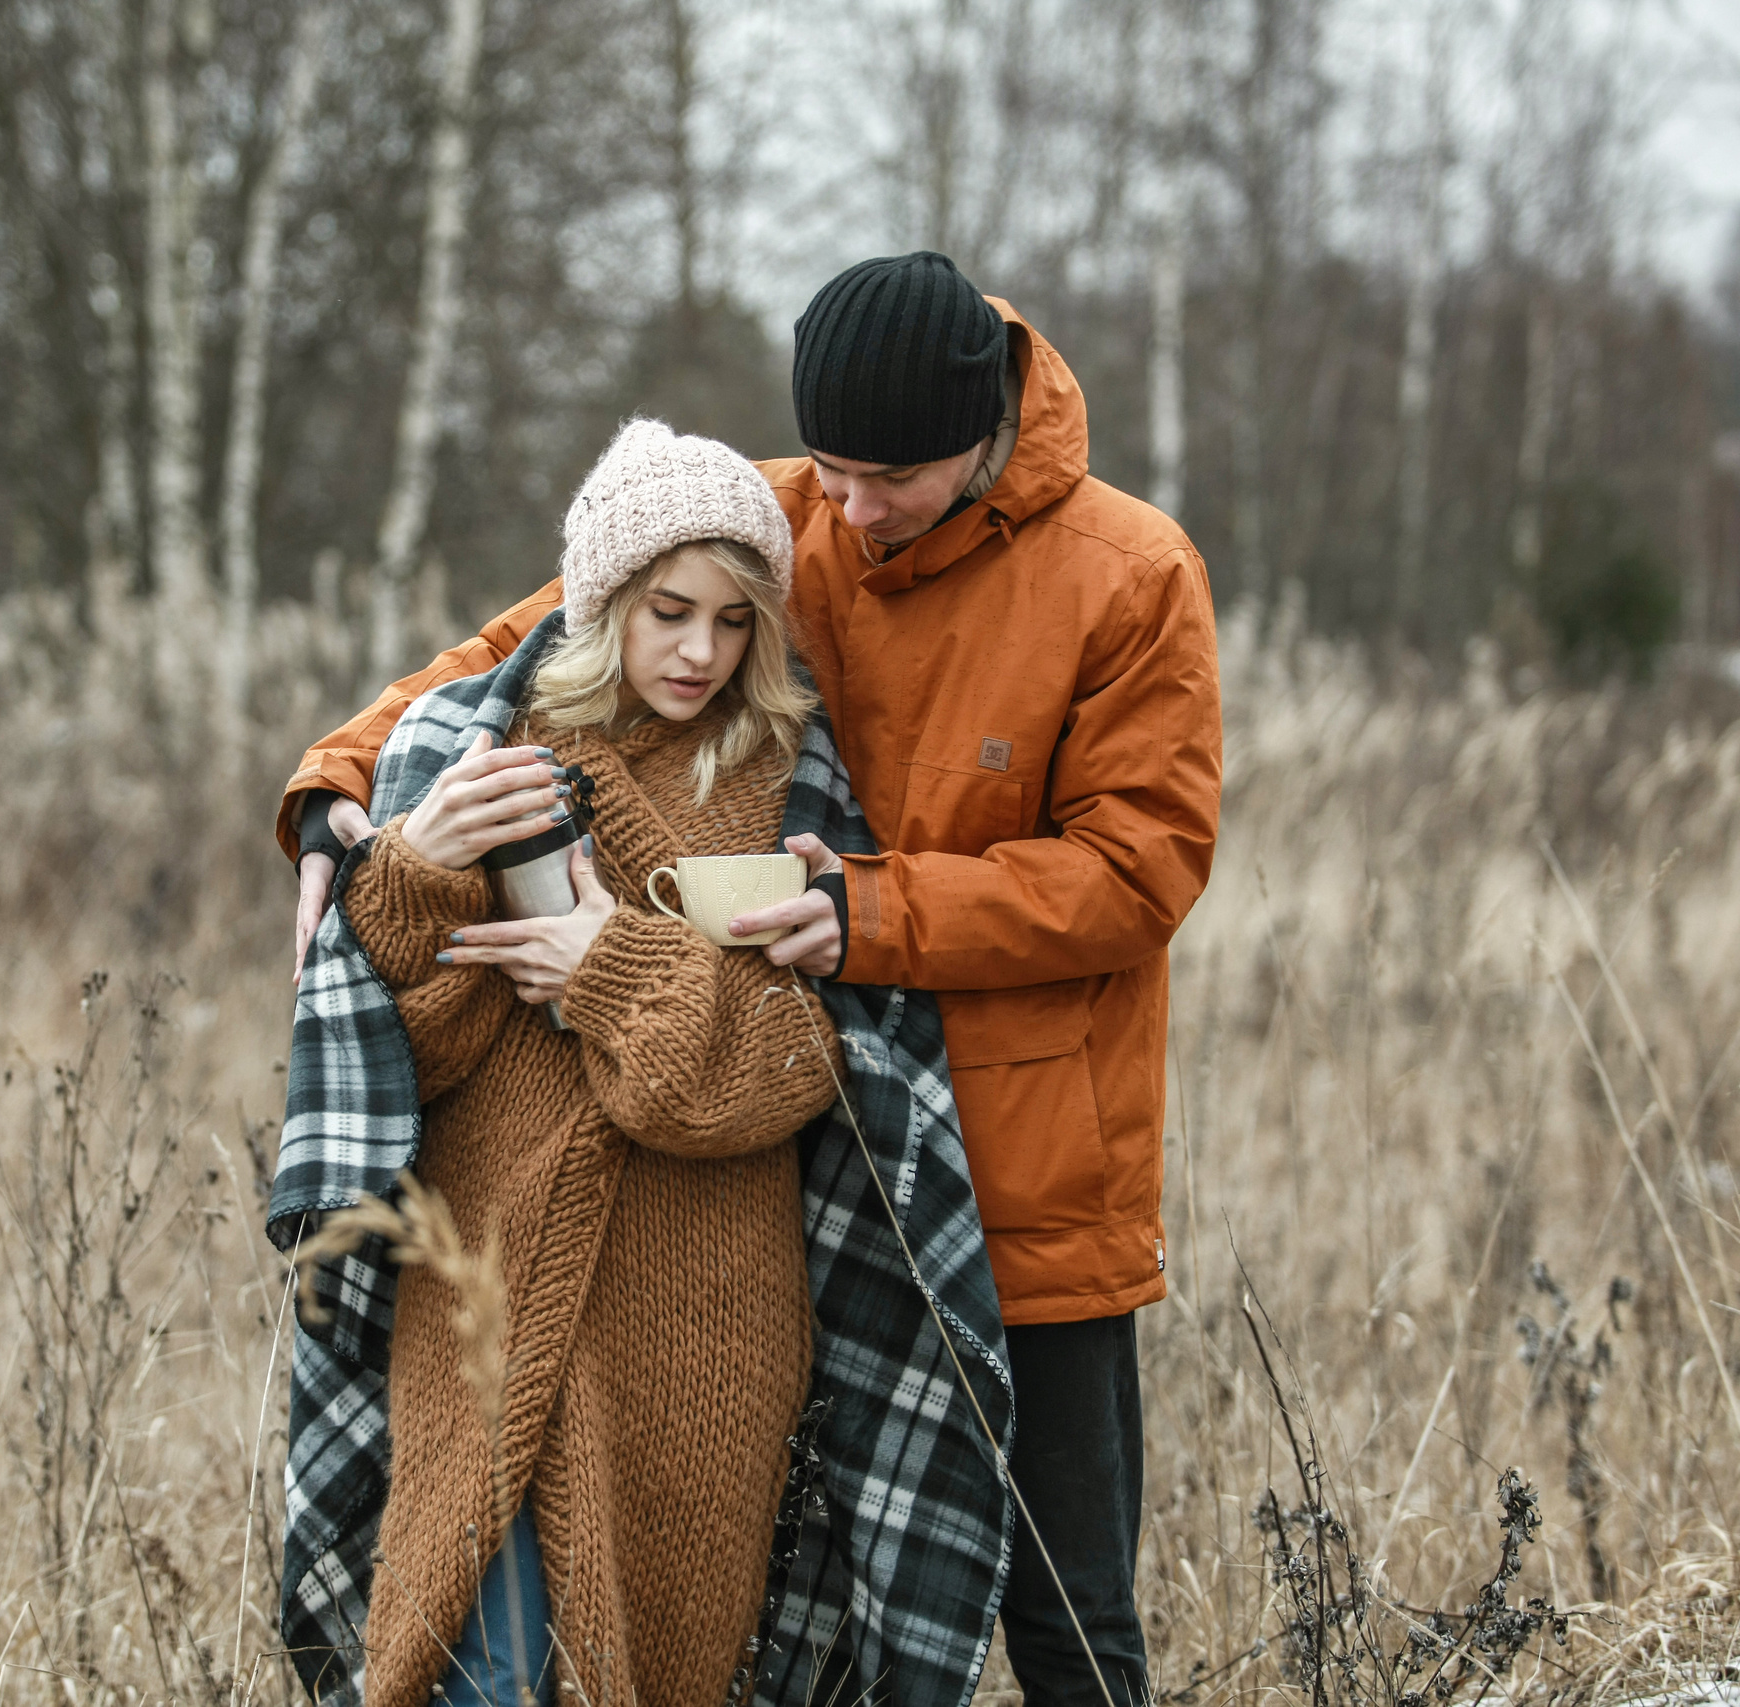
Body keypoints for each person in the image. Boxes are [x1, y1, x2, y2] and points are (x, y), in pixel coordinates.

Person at [281, 253, 1224, 1707]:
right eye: (831, 469)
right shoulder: (766, 521)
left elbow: (1140, 865)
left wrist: (866, 912)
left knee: (1064, 1597)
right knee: (818, 1595)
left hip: (1030, 1164)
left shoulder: (1133, 574)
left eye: (885, 478)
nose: (848, 509)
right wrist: (339, 791)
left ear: (980, 435)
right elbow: (511, 654)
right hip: (780, 1172)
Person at [266, 419, 1020, 1705]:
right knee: (474, 1670)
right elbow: (410, 1052)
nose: (698, 653)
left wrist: (608, 974)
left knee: (661, 1673)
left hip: (708, 1321)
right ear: (601, 599)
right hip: (482, 1291)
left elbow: (797, 1068)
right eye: (668, 611)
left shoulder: (791, 786)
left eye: (735, 623)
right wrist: (412, 871)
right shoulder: (467, 747)